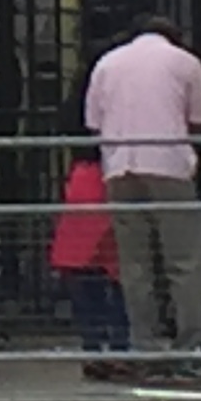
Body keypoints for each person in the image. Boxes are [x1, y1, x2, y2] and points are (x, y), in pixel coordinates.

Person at [83, 13, 201, 362]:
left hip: (120, 166)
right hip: (169, 165)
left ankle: (146, 347)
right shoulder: (186, 63)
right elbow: (196, 122)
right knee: (183, 261)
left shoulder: (106, 63)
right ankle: (189, 348)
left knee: (135, 264)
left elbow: (94, 124)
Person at [53, 151, 129, 372]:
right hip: (105, 244)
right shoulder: (109, 175)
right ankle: (118, 351)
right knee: (117, 295)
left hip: (78, 247)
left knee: (88, 300)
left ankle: (94, 350)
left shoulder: (80, 173)